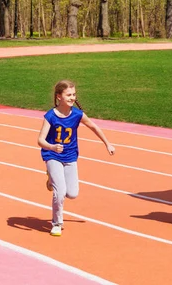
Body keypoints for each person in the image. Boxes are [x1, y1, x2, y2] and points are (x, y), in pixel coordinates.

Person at [38, 80, 115, 237]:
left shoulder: (78, 114)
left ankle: (51, 179)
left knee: (72, 193)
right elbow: (40, 140)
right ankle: (57, 223)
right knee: (60, 192)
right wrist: (52, 147)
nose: (72, 97)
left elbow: (94, 126)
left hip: (70, 156)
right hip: (52, 155)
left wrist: (107, 144)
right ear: (59, 96)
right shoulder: (50, 115)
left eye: (73, 94)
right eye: (68, 95)